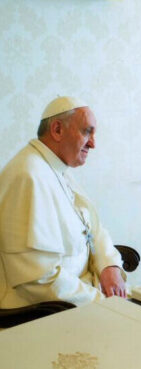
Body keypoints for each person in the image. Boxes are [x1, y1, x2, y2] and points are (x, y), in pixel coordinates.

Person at [0, 96, 127, 308]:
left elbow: (92, 229)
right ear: (57, 130)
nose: (93, 143)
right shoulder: (28, 176)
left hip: (81, 295)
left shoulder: (56, 169)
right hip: (44, 313)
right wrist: (101, 303)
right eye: (87, 131)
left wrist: (109, 266)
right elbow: (38, 280)